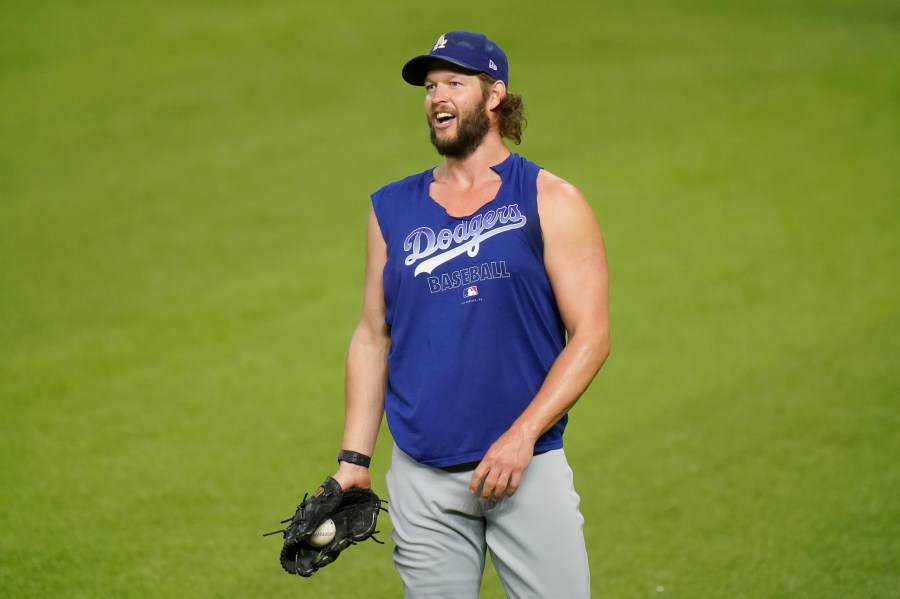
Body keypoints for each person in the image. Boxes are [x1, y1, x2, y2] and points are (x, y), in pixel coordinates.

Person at [330, 31, 610, 598]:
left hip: (526, 466)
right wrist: (353, 459)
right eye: (431, 87)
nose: (438, 98)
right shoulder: (390, 208)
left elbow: (592, 335)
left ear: (494, 95)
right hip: (423, 476)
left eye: (455, 83)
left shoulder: (550, 200)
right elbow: (371, 336)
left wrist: (522, 435)